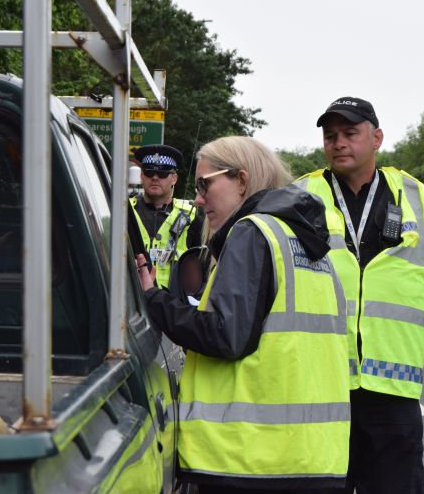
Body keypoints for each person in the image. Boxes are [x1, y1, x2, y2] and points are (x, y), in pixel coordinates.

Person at [136, 136, 350, 492]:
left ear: (242, 180)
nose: (199, 199)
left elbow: (225, 335)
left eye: (205, 184)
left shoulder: (252, 231)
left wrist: (153, 299)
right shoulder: (306, 241)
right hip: (314, 457)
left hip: (249, 459)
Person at [297, 97, 424, 494]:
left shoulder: (414, 194)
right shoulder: (301, 196)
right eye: (330, 136)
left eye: (350, 133)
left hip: (393, 391)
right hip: (322, 384)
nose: (339, 143)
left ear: (376, 137)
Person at [130, 144, 202, 289]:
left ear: (174, 178)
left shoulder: (191, 216)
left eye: (162, 173)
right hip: (133, 301)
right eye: (149, 172)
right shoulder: (125, 211)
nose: (155, 178)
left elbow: (203, 267)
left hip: (174, 305)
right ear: (141, 176)